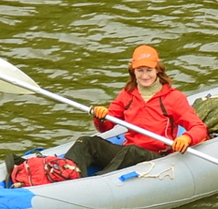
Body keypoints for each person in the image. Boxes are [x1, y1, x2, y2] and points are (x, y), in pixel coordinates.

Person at [63, 45, 208, 176]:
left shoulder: (174, 97)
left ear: (157, 69)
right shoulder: (127, 94)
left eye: (149, 70)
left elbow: (199, 128)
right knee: (87, 142)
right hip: (128, 151)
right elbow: (105, 127)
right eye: (140, 70)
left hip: (157, 155)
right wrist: (100, 117)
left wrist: (186, 138)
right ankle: (66, 174)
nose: (145, 76)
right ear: (133, 71)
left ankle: (99, 181)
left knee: (132, 151)